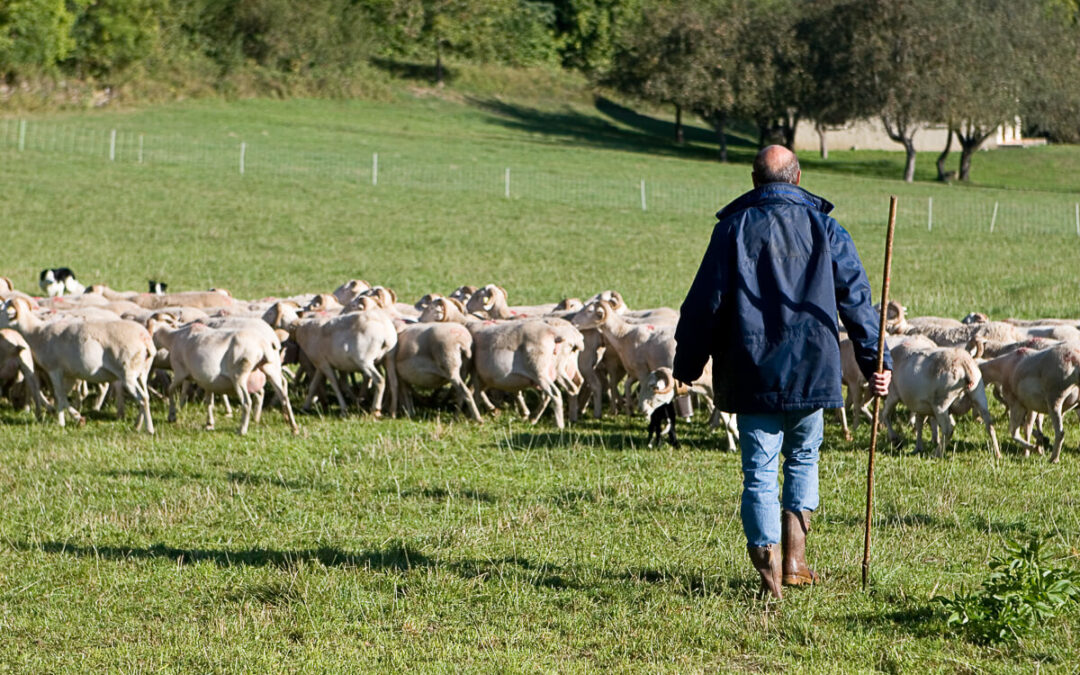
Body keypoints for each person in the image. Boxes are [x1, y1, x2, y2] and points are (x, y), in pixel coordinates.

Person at [672, 146, 892, 599]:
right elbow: (857, 301)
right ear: (797, 177)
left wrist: (687, 364)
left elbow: (703, 305)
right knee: (804, 458)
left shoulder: (731, 229)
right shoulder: (825, 227)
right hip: (813, 369)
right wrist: (875, 362)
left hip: (752, 371)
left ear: (755, 181)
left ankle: (770, 576)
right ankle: (796, 562)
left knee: (758, 471)